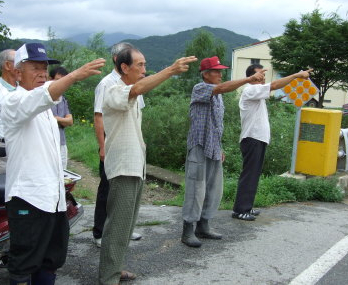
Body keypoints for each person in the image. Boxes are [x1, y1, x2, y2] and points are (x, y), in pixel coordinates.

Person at [1, 42, 105, 285]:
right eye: (34, 68)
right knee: (24, 262)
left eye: (44, 69)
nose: (41, 74)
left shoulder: (47, 108)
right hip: (28, 197)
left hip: (53, 197)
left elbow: (46, 97)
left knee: (51, 259)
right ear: (17, 73)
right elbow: (43, 95)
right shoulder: (14, 102)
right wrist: (75, 75)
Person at [98, 47, 197, 285]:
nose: (144, 69)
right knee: (118, 226)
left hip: (134, 165)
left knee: (127, 224)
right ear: (124, 67)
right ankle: (108, 277)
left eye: (145, 65)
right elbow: (137, 89)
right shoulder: (110, 87)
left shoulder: (129, 90)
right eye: (140, 65)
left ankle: (114, 269)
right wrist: (171, 70)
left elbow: (137, 91)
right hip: (123, 166)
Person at [181, 56, 266, 248]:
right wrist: (248, 79)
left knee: (213, 189)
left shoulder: (219, 95)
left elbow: (217, 124)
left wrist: (219, 148)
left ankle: (204, 225)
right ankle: (187, 230)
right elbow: (222, 87)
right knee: (196, 189)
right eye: (217, 71)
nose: (220, 74)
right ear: (206, 74)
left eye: (221, 71)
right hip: (199, 146)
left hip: (213, 148)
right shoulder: (200, 87)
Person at [232, 64, 312, 221]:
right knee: (249, 174)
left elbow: (271, 87)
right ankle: (240, 210)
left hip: (257, 138)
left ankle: (246, 206)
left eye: (263, 74)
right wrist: (296, 75)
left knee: (253, 174)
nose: (262, 77)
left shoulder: (257, 92)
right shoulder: (250, 89)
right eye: (259, 74)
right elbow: (275, 85)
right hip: (252, 138)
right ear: (251, 77)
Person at [93, 42, 144, 249]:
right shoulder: (107, 83)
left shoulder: (132, 83)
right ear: (119, 61)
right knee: (107, 190)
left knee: (124, 197)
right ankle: (100, 232)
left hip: (129, 144)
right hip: (112, 145)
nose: (142, 70)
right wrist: (102, 147)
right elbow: (98, 117)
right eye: (139, 64)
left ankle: (123, 230)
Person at [50, 66, 73, 169]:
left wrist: (55, 118)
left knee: (63, 174)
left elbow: (70, 121)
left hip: (62, 142)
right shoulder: (45, 99)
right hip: (48, 143)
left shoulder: (63, 99)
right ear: (50, 79)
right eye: (57, 80)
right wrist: (62, 120)